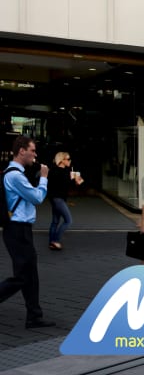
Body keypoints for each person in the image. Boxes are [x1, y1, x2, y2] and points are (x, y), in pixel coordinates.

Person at [0, 135, 54, 329]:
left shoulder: (15, 173)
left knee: (29, 274)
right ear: (21, 151)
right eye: (32, 150)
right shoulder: (15, 176)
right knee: (23, 276)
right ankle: (34, 315)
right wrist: (44, 178)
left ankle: (34, 316)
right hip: (18, 230)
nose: (35, 154)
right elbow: (37, 198)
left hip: (19, 230)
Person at [48, 152, 82, 251]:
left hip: (54, 199)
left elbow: (61, 186)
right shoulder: (63, 172)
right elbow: (66, 185)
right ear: (62, 160)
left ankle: (51, 242)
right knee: (68, 221)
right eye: (68, 159)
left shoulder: (54, 170)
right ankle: (55, 241)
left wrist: (75, 180)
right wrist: (76, 180)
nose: (70, 161)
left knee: (55, 221)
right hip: (59, 199)